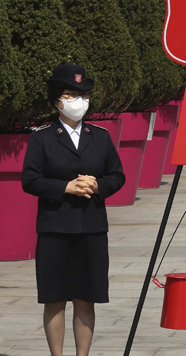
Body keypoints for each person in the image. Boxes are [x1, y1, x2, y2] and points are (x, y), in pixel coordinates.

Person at [22, 64, 125, 356]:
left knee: (85, 298)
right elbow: (30, 180)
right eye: (70, 94)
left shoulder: (100, 136)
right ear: (56, 99)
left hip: (91, 227)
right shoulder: (42, 136)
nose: (78, 101)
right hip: (55, 227)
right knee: (54, 299)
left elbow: (117, 176)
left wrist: (97, 185)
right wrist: (65, 188)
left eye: (83, 95)